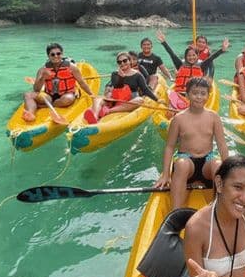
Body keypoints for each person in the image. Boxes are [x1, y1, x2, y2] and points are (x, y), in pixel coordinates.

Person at [154, 77, 229, 210]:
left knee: (218, 165)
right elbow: (170, 147)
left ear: (208, 96)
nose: (199, 97)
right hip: (187, 161)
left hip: (207, 161)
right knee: (181, 164)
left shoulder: (214, 117)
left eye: (203, 93)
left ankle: (219, 209)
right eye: (195, 93)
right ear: (187, 95)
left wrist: (229, 171)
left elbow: (222, 145)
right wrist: (165, 174)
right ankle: (176, 212)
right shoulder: (178, 119)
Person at [22, 43, 94, 122]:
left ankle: (42, 106)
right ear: (48, 56)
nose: (56, 56)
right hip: (49, 96)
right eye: (52, 54)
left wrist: (92, 95)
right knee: (27, 94)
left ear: (62, 54)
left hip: (66, 95)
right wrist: (43, 78)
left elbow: (81, 82)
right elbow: (36, 89)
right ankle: (30, 114)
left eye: (58, 53)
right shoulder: (43, 70)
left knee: (68, 99)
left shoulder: (72, 67)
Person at [85, 51, 159, 123]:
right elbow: (117, 86)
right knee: (97, 98)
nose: (122, 63)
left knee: (140, 100)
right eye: (119, 62)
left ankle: (108, 111)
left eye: (124, 60)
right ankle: (95, 116)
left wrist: (156, 100)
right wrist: (121, 77)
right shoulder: (115, 74)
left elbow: (145, 89)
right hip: (116, 99)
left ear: (130, 61)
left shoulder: (138, 75)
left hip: (130, 100)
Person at [156, 30, 229, 94]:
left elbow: (212, 58)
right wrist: (164, 42)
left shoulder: (201, 65)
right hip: (180, 94)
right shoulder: (180, 65)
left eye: (194, 55)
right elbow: (172, 54)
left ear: (197, 56)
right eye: (189, 56)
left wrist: (222, 50)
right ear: (185, 57)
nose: (191, 57)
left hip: (194, 95)